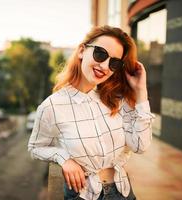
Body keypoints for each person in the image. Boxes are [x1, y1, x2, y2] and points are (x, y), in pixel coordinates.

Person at [28, 25, 154, 200]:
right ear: (81, 51)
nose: (104, 66)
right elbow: (35, 147)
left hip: (123, 192)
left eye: (114, 63)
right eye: (100, 54)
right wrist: (63, 158)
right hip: (83, 195)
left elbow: (140, 146)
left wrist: (141, 92)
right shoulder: (52, 106)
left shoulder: (117, 99)